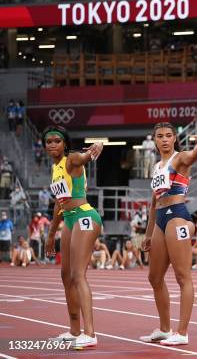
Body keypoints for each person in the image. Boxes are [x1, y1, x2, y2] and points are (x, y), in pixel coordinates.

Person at [139, 122, 197, 346]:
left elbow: (192, 156)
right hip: (160, 219)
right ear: (154, 140)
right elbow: (154, 202)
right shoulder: (156, 167)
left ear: (174, 139)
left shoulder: (180, 157)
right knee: (154, 277)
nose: (164, 139)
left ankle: (182, 332)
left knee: (183, 276)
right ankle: (164, 329)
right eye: (160, 136)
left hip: (177, 216)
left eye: (168, 135)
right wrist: (148, 232)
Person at [42, 125, 104, 348]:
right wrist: (50, 236)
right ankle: (74, 330)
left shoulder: (71, 159)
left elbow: (84, 156)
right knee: (65, 275)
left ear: (64, 143)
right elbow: (60, 205)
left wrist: (96, 146)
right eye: (48, 141)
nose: (52, 145)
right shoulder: (55, 167)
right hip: (69, 218)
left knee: (78, 274)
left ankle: (90, 333)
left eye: (56, 141)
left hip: (85, 216)